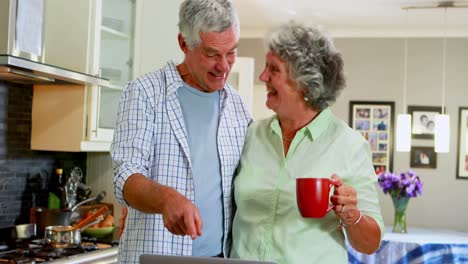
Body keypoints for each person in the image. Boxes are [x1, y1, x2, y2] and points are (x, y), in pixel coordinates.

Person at [230, 22, 384, 264]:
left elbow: (370, 244)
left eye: (274, 69)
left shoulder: (349, 144)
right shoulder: (251, 135)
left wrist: (351, 215)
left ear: (304, 82)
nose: (263, 77)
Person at [110, 0, 251, 262]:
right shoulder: (144, 93)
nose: (224, 66)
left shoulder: (238, 106)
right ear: (184, 44)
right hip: (159, 256)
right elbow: (125, 177)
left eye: (230, 52)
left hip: (221, 257)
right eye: (212, 54)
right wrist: (166, 199)